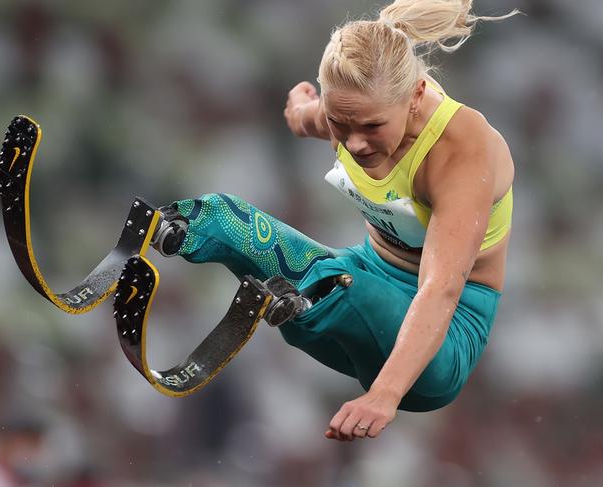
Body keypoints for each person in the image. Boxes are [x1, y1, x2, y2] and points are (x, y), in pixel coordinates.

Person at [152, 0, 518, 442]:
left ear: (416, 95)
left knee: (333, 278)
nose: (357, 143)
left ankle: (303, 298)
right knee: (227, 214)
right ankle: (164, 231)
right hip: (347, 299)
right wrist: (303, 103)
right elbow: (299, 118)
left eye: (372, 126)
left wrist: (383, 395)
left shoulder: (462, 148)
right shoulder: (344, 112)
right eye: (341, 125)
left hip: (437, 348)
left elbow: (440, 289)